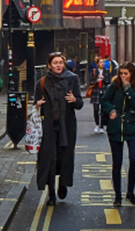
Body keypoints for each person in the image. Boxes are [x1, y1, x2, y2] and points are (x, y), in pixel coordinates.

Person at [34, 52, 84, 206]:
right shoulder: (41, 83)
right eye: (55, 63)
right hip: (47, 126)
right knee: (50, 159)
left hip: (66, 126)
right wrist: (37, 106)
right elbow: (35, 105)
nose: (58, 65)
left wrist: (75, 100)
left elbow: (80, 103)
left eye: (60, 63)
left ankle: (62, 183)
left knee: (64, 158)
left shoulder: (72, 79)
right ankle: (51, 194)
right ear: (49, 65)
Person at [101, 62, 135, 207]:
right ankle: (117, 196)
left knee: (134, 160)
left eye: (126, 73)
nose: (123, 76)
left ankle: (130, 193)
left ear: (132, 74)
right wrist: (110, 111)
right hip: (115, 128)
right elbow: (104, 100)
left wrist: (128, 89)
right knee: (117, 163)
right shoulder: (115, 84)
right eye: (121, 73)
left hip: (132, 126)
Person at [89, 54, 111, 134]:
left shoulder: (107, 71)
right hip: (96, 92)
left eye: (103, 62)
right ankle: (97, 124)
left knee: (103, 110)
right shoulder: (94, 72)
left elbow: (109, 81)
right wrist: (96, 81)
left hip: (104, 92)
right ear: (97, 64)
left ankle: (102, 126)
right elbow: (90, 82)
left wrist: (103, 79)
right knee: (95, 109)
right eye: (101, 62)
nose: (103, 64)